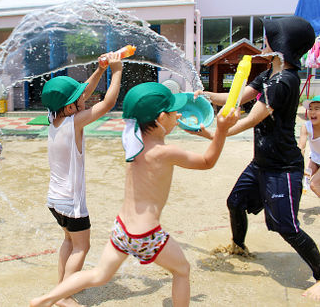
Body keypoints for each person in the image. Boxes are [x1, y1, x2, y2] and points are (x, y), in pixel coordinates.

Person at [30, 82, 239, 307]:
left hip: (122, 229)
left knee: (100, 274)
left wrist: (196, 130)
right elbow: (207, 161)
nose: (178, 115)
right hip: (146, 234)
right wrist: (223, 130)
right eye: (173, 112)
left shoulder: (132, 141)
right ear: (160, 119)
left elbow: (148, 125)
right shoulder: (163, 152)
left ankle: (45, 299)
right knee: (182, 270)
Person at [191, 16, 320, 300]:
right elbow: (236, 98)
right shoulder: (269, 75)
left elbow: (250, 119)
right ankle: (239, 246)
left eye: (268, 38)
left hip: (282, 168)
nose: (264, 42)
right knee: (234, 202)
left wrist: (215, 134)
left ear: (280, 45)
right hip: (261, 163)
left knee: (287, 228)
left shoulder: (284, 81)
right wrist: (203, 95)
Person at [37, 52, 122, 307]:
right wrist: (116, 70)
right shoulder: (75, 122)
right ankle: (64, 297)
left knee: (68, 241)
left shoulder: (54, 119)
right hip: (71, 202)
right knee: (81, 247)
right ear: (68, 107)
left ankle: (63, 285)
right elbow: (106, 104)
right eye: (77, 101)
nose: (83, 101)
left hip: (54, 200)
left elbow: (82, 93)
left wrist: (100, 69)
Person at [299, 95, 320, 198]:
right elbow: (301, 147)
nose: (312, 112)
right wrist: (300, 166)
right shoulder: (306, 126)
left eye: (317, 109)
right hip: (315, 159)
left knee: (314, 185)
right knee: (302, 181)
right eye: (310, 109)